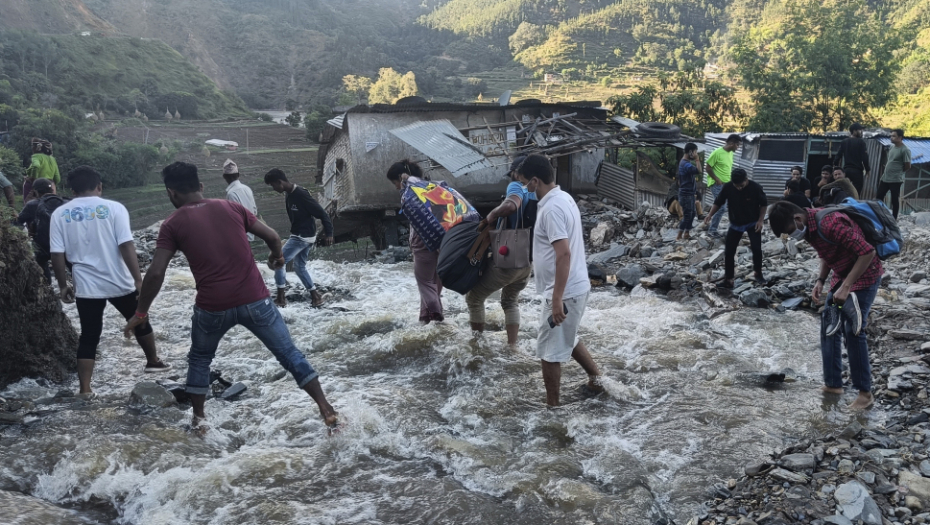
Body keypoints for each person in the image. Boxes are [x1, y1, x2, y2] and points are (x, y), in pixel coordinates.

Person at [124, 162, 339, 430]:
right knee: (288, 353)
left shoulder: (172, 224)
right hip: (256, 301)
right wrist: (277, 257)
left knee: (200, 359)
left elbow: (155, 273)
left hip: (212, 307)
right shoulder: (232, 208)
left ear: (171, 193)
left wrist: (141, 313)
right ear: (201, 187)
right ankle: (325, 408)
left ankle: (199, 420)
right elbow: (272, 236)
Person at [49, 166, 169, 398]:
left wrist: (63, 284)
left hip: (86, 285)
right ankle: (153, 361)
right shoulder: (114, 208)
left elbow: (57, 253)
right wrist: (138, 279)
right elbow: (126, 245)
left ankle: (85, 389)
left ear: (71, 190)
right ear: (99, 186)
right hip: (119, 280)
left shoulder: (60, 214)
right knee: (140, 319)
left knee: (89, 334)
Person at [768, 200, 882, 410]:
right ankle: (833, 385)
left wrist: (847, 286)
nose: (791, 237)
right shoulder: (810, 227)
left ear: (797, 219)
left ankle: (865, 394)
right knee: (829, 326)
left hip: (864, 276)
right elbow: (825, 252)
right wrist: (820, 281)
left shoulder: (830, 223)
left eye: (789, 232)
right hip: (841, 274)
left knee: (853, 330)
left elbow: (868, 252)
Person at [511, 154, 604, 406]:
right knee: (567, 336)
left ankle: (553, 408)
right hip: (574, 286)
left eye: (524, 183)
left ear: (534, 181)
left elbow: (563, 253)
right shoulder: (564, 198)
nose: (523, 188)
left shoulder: (551, 208)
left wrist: (556, 298)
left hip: (565, 291)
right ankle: (597, 380)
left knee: (549, 353)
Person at [465, 156, 535, 346]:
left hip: (509, 254)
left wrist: (491, 216)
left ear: (517, 173)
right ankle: (512, 347)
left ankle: (477, 345)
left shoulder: (516, 186)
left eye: (513, 174)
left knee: (474, 297)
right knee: (510, 301)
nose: (512, 178)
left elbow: (511, 204)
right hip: (528, 260)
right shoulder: (537, 192)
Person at [263, 168, 334, 308]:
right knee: (299, 267)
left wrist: (329, 233)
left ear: (280, 182)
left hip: (302, 236)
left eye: (273, 185)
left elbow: (322, 214)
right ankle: (316, 297)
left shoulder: (301, 194)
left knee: (279, 262)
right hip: (301, 235)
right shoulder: (288, 195)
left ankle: (281, 299)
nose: (273, 188)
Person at [386, 160, 444, 324]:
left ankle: (438, 320)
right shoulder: (431, 187)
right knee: (434, 287)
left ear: (401, 178)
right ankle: (424, 319)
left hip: (422, 244)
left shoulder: (411, 193)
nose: (397, 187)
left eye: (395, 182)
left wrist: (405, 181)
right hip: (441, 241)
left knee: (425, 284)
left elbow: (406, 197)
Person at [702, 168, 767, 288]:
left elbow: (763, 204)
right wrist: (710, 215)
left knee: (757, 248)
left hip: (753, 222)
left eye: (741, 185)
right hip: (735, 223)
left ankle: (758, 274)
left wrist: (760, 220)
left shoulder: (755, 187)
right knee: (729, 251)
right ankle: (729, 279)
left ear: (746, 180)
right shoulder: (728, 187)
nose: (739, 188)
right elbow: (718, 201)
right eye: (736, 186)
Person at [17, 178, 61, 282]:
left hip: (42, 245)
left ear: (35, 192)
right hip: (64, 244)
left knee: (41, 264)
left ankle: (48, 287)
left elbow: (18, 223)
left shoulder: (32, 205)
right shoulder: (64, 202)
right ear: (52, 190)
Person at [704, 134, 742, 237]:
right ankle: (712, 230)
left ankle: (734, 229)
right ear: (731, 143)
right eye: (737, 145)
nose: (738, 148)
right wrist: (716, 179)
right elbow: (708, 168)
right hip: (717, 184)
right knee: (721, 207)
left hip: (727, 184)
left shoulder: (730, 154)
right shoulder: (717, 153)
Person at [877, 129, 911, 220]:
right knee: (879, 196)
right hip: (885, 177)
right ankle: (879, 215)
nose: (891, 138)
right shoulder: (892, 147)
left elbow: (908, 165)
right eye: (891, 135)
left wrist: (899, 171)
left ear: (900, 138)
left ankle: (894, 218)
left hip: (895, 179)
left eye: (893, 136)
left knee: (894, 199)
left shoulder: (905, 150)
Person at [223, 159, 259, 241]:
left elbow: (234, 218)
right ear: (238, 175)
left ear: (224, 177)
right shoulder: (247, 188)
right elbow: (254, 211)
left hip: (240, 235)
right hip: (250, 233)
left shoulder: (231, 194)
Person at [833, 123, 870, 195]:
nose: (861, 132)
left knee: (845, 191)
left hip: (846, 170)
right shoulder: (861, 142)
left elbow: (838, 155)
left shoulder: (844, 141)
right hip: (857, 171)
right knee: (856, 193)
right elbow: (864, 157)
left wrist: (835, 166)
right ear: (854, 131)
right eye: (860, 130)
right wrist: (867, 169)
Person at [676, 143, 701, 241]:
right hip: (686, 195)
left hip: (688, 194)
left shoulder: (685, 163)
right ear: (690, 152)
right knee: (687, 216)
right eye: (695, 152)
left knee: (692, 213)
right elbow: (699, 170)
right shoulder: (685, 164)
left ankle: (686, 233)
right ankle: (678, 236)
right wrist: (697, 159)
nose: (695, 154)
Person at [24, 138, 60, 203]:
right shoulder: (52, 159)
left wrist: (34, 179)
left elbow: (36, 166)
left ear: (37, 148)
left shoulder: (36, 156)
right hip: (50, 186)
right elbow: (57, 178)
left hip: (35, 186)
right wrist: (51, 184)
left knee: (29, 205)